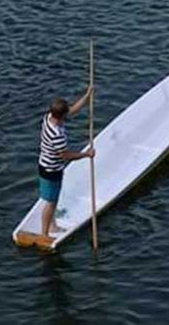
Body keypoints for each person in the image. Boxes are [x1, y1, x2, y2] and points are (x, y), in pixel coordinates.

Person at [38, 89, 95, 238]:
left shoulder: (48, 117)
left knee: (53, 199)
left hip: (45, 164)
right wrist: (86, 154)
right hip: (51, 170)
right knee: (51, 202)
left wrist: (86, 97)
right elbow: (66, 155)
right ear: (61, 116)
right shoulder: (57, 135)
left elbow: (72, 110)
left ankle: (53, 225)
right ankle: (45, 233)